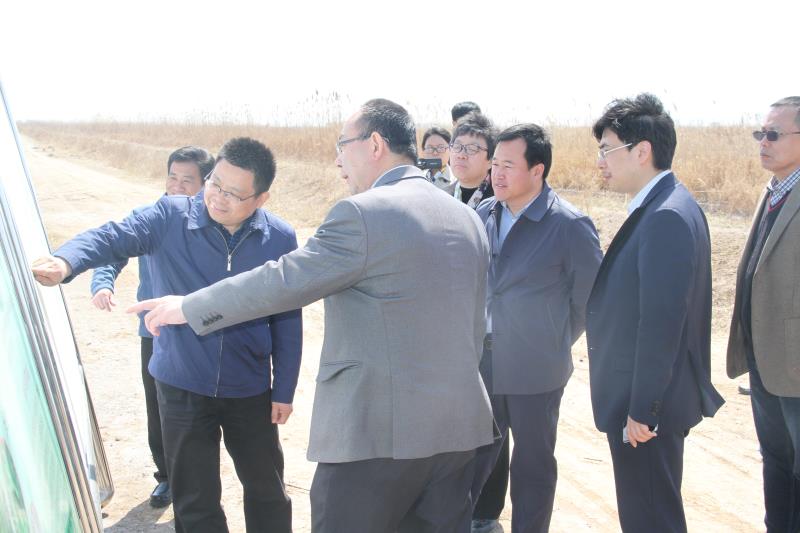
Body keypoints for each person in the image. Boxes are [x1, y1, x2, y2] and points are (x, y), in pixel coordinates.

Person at [129, 98, 496, 533]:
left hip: (377, 440)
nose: (338, 160)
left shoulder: (363, 214)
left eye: (342, 145)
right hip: (460, 433)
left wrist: (189, 307)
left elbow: (282, 281)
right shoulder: (465, 216)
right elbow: (476, 326)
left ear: (374, 144)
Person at [32, 137, 301, 533]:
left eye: (234, 194)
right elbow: (112, 236)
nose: (218, 197)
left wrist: (284, 389)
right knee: (194, 499)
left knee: (267, 489)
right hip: (181, 383)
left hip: (249, 386)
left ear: (261, 198)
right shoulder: (169, 216)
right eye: (214, 183)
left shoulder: (278, 237)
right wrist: (66, 260)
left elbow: (287, 317)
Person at [586, 93, 724, 532]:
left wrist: (643, 410)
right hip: (648, 400)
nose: (600, 162)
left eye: (607, 149)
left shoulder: (665, 215)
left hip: (646, 409)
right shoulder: (668, 203)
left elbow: (661, 325)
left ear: (641, 151)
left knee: (650, 517)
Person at [470, 124, 602, 533]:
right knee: (472, 459)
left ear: (537, 170)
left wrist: (550, 340)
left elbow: (588, 302)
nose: (497, 174)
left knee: (533, 467)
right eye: (494, 164)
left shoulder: (569, 225)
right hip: (482, 363)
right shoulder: (483, 212)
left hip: (537, 369)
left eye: (508, 165)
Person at [89, 145, 213, 508]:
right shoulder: (149, 217)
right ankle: (167, 477)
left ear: (206, 183)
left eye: (186, 180)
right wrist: (103, 283)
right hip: (157, 334)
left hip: (204, 332)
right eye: (172, 177)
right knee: (159, 408)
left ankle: (200, 481)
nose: (176, 186)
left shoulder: (216, 223)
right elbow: (114, 248)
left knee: (204, 411)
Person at [727, 96, 800, 532]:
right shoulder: (774, 190)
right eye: (760, 133)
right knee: (776, 462)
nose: (763, 142)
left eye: (773, 134)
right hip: (766, 360)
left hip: (795, 365)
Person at [451, 114, 496, 208]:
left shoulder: (500, 201)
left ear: (490, 160)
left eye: (472, 149)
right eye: (457, 146)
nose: (461, 155)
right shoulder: (441, 196)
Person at [420, 126, 455, 192]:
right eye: (430, 148)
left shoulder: (456, 181)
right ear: (423, 151)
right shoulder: (418, 177)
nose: (435, 153)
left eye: (441, 147)